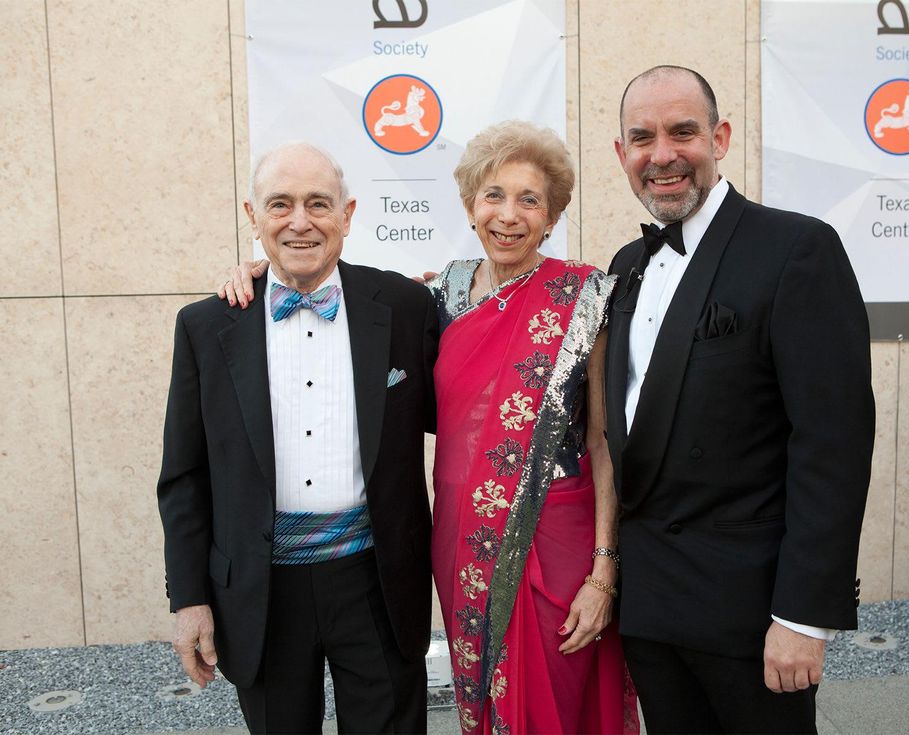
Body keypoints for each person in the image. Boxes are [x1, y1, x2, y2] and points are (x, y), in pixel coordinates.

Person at [223, 121, 637, 734]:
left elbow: (603, 444)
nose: (509, 215)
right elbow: (333, 286)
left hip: (558, 546)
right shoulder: (437, 298)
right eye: (493, 195)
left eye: (530, 200)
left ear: (552, 217)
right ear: (471, 207)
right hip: (462, 542)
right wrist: (265, 268)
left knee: (555, 701)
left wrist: (605, 570)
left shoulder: (585, 297)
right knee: (486, 699)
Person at [604, 65, 875, 733]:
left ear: (719, 137)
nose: (661, 155)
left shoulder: (796, 249)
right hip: (650, 614)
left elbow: (832, 444)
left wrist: (803, 615)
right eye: (642, 137)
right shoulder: (623, 268)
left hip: (753, 622)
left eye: (683, 132)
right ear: (621, 154)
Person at [158, 142, 437, 734]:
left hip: (379, 582)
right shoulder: (207, 327)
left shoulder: (406, 306)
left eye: (319, 203)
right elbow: (185, 476)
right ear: (252, 215)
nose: (300, 221)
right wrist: (188, 598)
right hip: (260, 591)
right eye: (279, 205)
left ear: (348, 213)